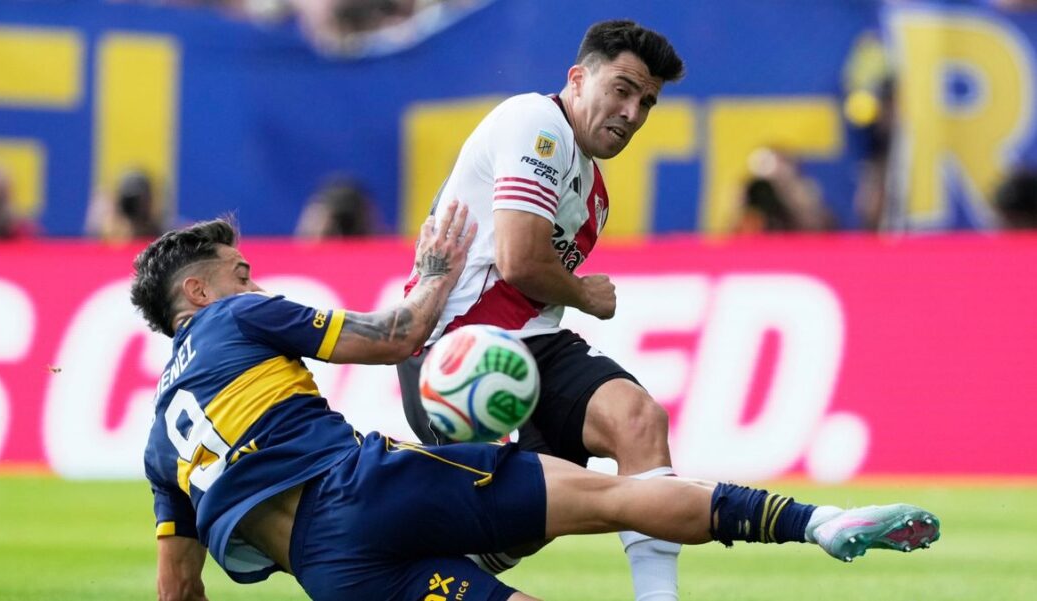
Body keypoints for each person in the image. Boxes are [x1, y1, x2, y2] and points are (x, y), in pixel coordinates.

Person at [132, 205, 940, 601]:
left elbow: (178, 588)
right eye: (242, 272)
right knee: (617, 492)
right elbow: (393, 335)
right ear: (198, 291)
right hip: (369, 486)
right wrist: (440, 270)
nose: (255, 281)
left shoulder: (158, 448)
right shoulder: (237, 316)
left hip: (333, 575)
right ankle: (816, 522)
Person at [394, 19, 687, 598]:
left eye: (647, 102)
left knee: (638, 421)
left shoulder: (593, 191)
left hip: (534, 343)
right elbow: (521, 261)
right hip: (460, 351)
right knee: (536, 508)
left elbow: (529, 277)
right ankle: (412, 574)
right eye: (622, 90)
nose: (633, 112)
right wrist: (586, 295)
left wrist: (568, 295)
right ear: (577, 79)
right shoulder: (537, 122)